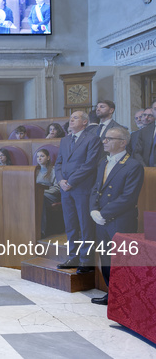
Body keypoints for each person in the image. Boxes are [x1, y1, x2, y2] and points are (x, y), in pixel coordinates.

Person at [89, 127, 144, 306]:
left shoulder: (133, 165)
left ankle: (123, 299)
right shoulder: (102, 163)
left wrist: (103, 213)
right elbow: (95, 188)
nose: (104, 141)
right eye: (104, 138)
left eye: (109, 139)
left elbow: (128, 198)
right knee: (105, 257)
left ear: (123, 142)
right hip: (101, 220)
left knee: (120, 260)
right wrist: (93, 211)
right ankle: (111, 294)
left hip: (120, 220)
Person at [54, 111, 101, 273]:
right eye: (70, 118)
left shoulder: (92, 139)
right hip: (65, 189)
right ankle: (73, 256)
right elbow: (58, 163)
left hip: (82, 188)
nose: (71, 120)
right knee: (70, 224)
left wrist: (71, 182)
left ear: (85, 122)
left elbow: (90, 164)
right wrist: (60, 180)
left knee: (85, 224)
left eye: (75, 118)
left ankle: (86, 260)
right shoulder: (65, 140)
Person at [36, 149, 61, 238]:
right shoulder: (35, 171)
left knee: (39, 197)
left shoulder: (54, 170)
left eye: (42, 156)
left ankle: (41, 230)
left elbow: (57, 188)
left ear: (48, 158)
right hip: (37, 194)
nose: (39, 158)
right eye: (38, 156)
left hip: (51, 196)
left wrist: (41, 192)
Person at [131, 101, 156, 166]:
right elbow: (137, 152)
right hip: (147, 172)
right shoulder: (144, 131)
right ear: (152, 111)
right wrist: (145, 169)